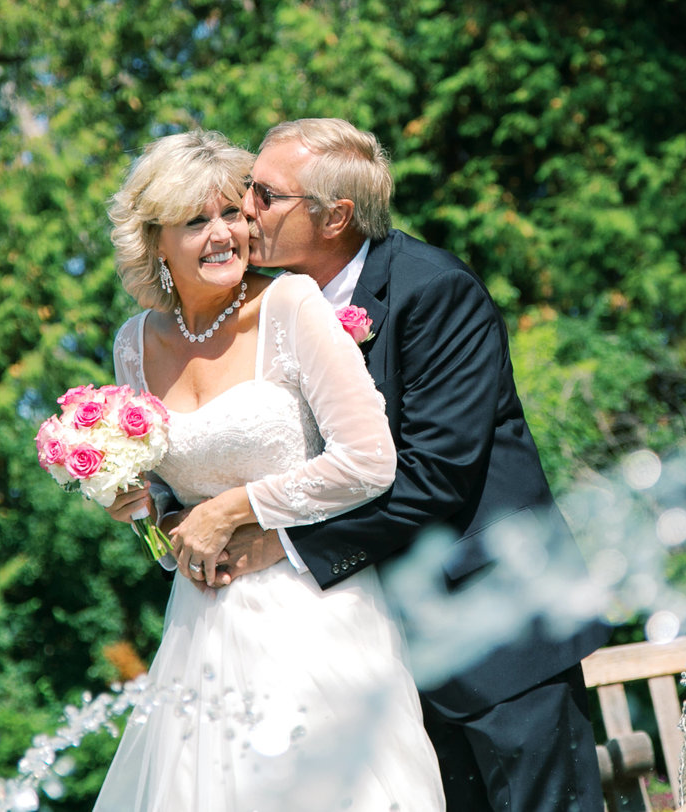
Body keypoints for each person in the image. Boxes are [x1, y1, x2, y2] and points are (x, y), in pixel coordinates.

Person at [219, 118, 612, 812]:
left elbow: (436, 474)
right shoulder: (268, 314)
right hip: (378, 654)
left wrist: (280, 545)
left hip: (498, 628)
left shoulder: (434, 290)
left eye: (264, 194)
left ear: (335, 216)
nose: (245, 206)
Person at [96, 129, 444, 811]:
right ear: (155, 241)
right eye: (196, 221)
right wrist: (144, 516)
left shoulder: (289, 305)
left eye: (233, 212)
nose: (225, 233)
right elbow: (168, 529)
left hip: (312, 612)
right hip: (200, 626)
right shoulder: (134, 345)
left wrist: (234, 508)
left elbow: (369, 460)